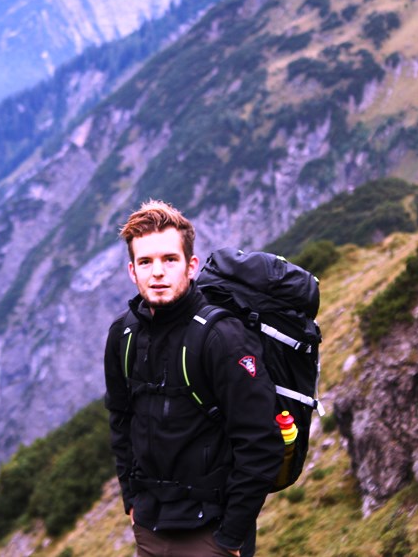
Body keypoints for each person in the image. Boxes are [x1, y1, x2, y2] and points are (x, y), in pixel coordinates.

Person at [103, 200, 283, 557]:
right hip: (149, 529)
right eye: (146, 262)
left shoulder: (222, 338)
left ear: (191, 265)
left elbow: (261, 442)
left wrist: (230, 537)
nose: (157, 272)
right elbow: (121, 422)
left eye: (170, 259)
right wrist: (131, 500)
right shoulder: (123, 335)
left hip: (210, 533)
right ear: (132, 271)